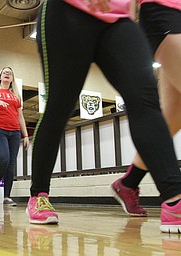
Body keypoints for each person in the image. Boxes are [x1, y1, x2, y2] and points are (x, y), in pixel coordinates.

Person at [26, 0, 181, 234]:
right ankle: (38, 194)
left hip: (118, 18)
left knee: (144, 99)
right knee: (60, 107)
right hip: (68, 10)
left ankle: (173, 198)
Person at [111, 0, 181, 220]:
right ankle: (174, 200)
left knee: (170, 119)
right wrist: (127, 31)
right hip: (165, 12)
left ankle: (129, 183)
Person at [0, 67, 30, 206]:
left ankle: (7, 196)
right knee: (4, 158)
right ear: (0, 77)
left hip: (15, 132)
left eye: (10, 73)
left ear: (12, 79)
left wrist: (26, 135)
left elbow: (20, 116)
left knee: (11, 164)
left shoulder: (16, 96)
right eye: (5, 72)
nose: (7, 74)